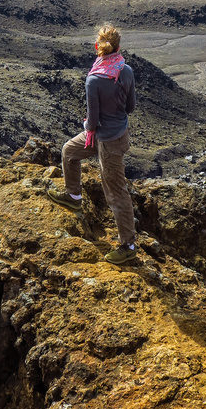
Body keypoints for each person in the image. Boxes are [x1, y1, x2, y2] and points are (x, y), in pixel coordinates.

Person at [48, 23, 137, 265]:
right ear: (118, 47)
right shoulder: (126, 70)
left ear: (98, 47)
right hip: (114, 135)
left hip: (107, 142)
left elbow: (93, 120)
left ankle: (128, 245)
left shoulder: (94, 80)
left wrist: (89, 125)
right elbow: (130, 107)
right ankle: (73, 195)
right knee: (69, 151)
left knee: (116, 194)